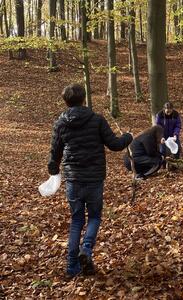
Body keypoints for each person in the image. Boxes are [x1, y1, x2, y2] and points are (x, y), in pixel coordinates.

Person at [47, 83, 132, 278]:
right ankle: (86, 249)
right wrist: (128, 137)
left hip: (73, 179)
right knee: (94, 217)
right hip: (94, 178)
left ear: (66, 101)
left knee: (77, 220)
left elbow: (55, 151)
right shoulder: (96, 120)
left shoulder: (61, 122)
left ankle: (72, 267)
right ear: (84, 99)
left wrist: (53, 170)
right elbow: (115, 145)